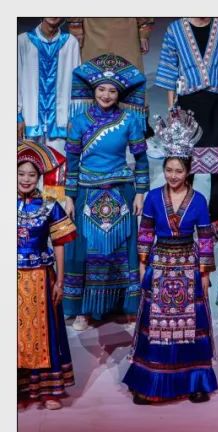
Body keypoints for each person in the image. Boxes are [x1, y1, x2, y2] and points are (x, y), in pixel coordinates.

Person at [123, 108, 218, 405]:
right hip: (160, 263)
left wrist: (204, 274)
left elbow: (205, 239)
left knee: (191, 326)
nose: (173, 176)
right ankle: (149, 380)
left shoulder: (199, 200)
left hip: (188, 264)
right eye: (169, 170)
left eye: (179, 171)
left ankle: (195, 381)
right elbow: (145, 233)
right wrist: (142, 266)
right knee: (157, 324)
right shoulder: (153, 197)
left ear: (188, 171)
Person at [63, 54, 148, 329]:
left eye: (112, 90)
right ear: (93, 90)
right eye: (101, 89)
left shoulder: (130, 121)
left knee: (121, 253)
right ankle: (83, 311)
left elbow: (141, 159)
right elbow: (72, 162)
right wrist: (69, 196)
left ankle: (125, 307)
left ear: (119, 94)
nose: (106, 95)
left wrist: (140, 193)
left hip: (121, 193)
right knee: (87, 253)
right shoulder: (79, 121)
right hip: (87, 193)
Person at [155, 18, 218, 242]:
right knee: (187, 161)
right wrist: (172, 110)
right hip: (189, 103)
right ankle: (183, 216)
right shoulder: (175, 30)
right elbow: (169, 70)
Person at [17, 141, 76, 410]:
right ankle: (18, 390)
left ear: (39, 177)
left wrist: (60, 281)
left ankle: (48, 389)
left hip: (42, 278)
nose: (26, 179)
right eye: (21, 173)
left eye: (31, 174)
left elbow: (60, 244)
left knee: (46, 333)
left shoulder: (50, 205)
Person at [17, 18, 81, 149]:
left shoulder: (70, 43)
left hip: (61, 124)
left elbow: (77, 85)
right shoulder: (23, 41)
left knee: (59, 161)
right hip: (29, 121)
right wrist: (17, 116)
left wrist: (74, 119)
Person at [67, 18, 154, 71]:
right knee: (93, 74)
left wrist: (144, 31)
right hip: (93, 30)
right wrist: (76, 28)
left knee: (129, 74)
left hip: (126, 31)